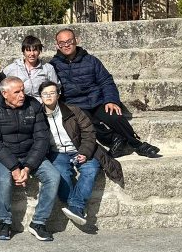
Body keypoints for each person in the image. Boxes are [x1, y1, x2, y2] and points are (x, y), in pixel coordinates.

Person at [51, 28, 160, 158]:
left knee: (115, 116)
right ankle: (115, 139)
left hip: (98, 100)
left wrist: (111, 100)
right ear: (57, 45)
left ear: (76, 40)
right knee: (85, 122)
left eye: (69, 41)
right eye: (62, 43)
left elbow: (106, 81)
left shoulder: (91, 60)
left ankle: (137, 144)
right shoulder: (54, 65)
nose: (66, 45)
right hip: (76, 104)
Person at [0, 76, 60, 242]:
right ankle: (4, 222)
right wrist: (15, 168)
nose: (22, 95)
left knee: (53, 177)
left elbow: (41, 139)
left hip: (30, 154)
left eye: (23, 90)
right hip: (1, 157)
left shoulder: (33, 106)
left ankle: (38, 222)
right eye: (17, 92)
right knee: (4, 180)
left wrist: (28, 167)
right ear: (4, 93)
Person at [37, 80, 122, 228]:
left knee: (90, 169)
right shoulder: (37, 115)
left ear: (58, 94)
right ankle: (75, 206)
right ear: (40, 97)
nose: (49, 96)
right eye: (45, 94)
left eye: (52, 93)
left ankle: (75, 207)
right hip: (57, 153)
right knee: (61, 175)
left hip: (79, 149)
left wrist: (84, 152)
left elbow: (89, 132)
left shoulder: (73, 110)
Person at [2, 35, 58, 99]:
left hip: (41, 105)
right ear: (23, 52)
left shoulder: (48, 68)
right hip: (19, 104)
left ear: (39, 51)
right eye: (28, 50)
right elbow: (1, 88)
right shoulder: (11, 69)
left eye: (35, 50)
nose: (32, 54)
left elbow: (56, 89)